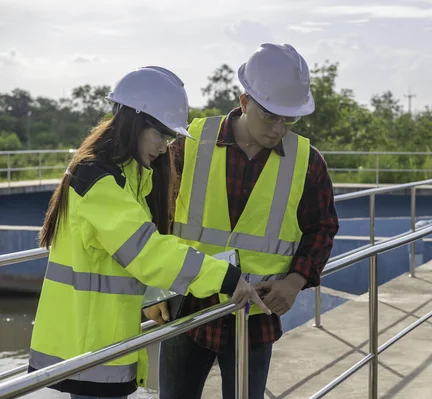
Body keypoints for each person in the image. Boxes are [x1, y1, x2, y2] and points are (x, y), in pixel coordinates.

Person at [27, 66, 269, 399]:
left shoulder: (129, 174)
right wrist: (225, 277)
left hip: (104, 341)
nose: (166, 146)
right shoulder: (97, 180)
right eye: (162, 134)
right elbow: (146, 251)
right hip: (87, 347)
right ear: (135, 121)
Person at [146, 43, 340, 398]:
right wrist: (153, 291)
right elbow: (156, 219)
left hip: (254, 315)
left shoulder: (307, 162)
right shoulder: (189, 145)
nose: (279, 128)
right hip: (186, 305)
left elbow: (322, 228)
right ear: (245, 102)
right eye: (271, 115)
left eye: (289, 118)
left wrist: (295, 281)